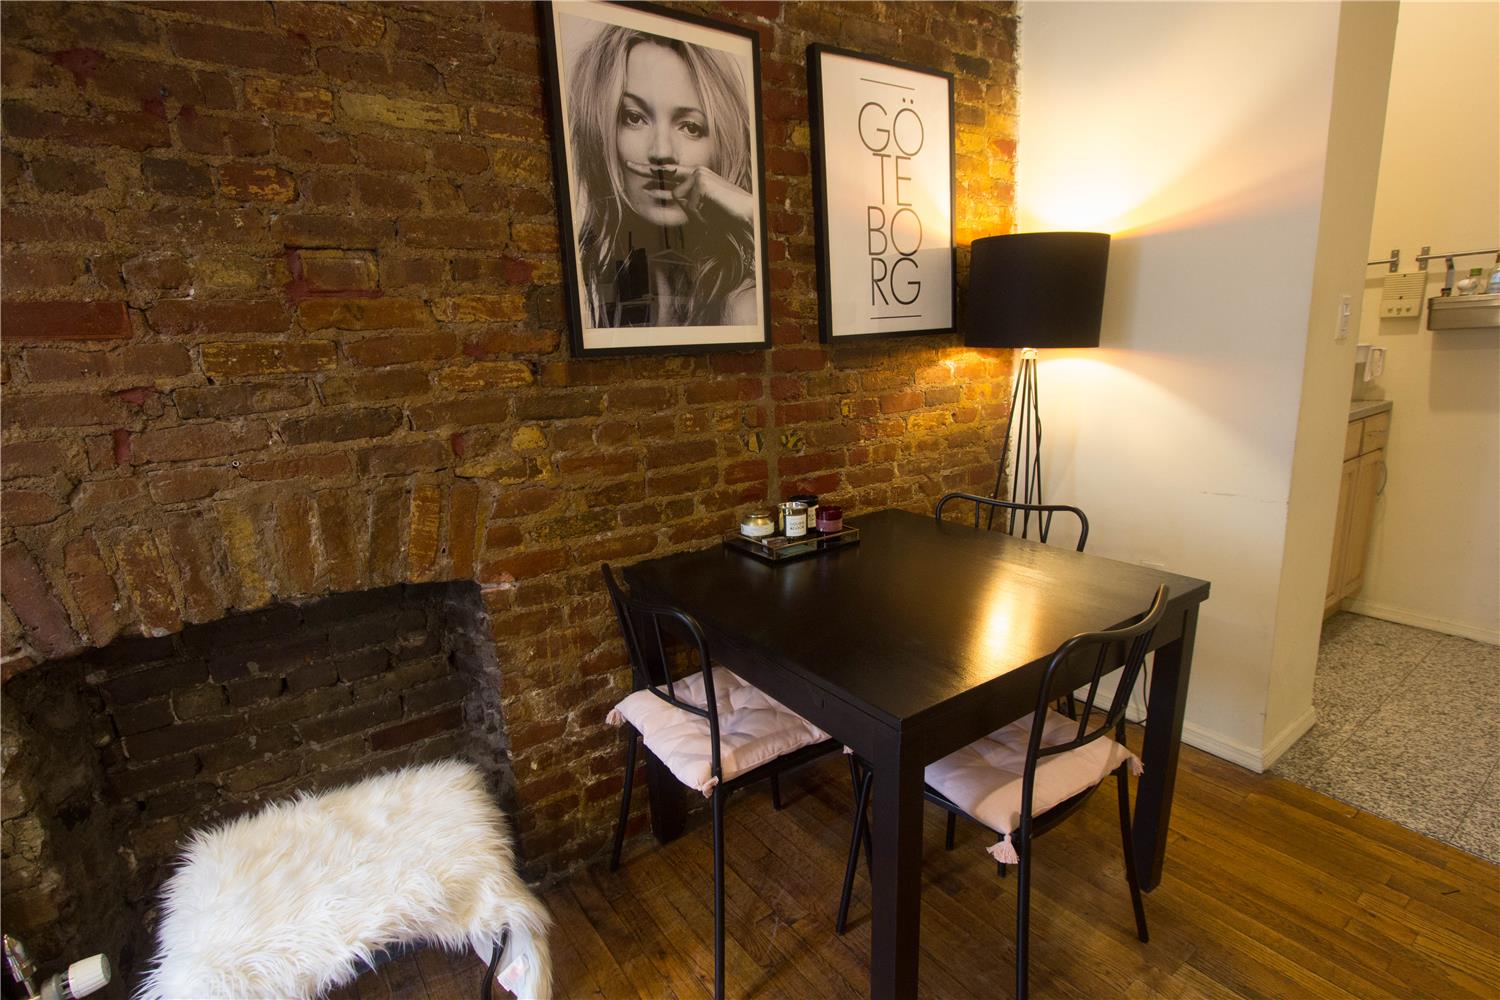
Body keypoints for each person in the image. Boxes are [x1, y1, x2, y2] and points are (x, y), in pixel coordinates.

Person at [566, 24, 758, 328]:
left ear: (722, 144)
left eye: (690, 127)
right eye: (634, 118)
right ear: (601, 132)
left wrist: (752, 212)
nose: (661, 151)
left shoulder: (744, 307)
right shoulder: (604, 298)